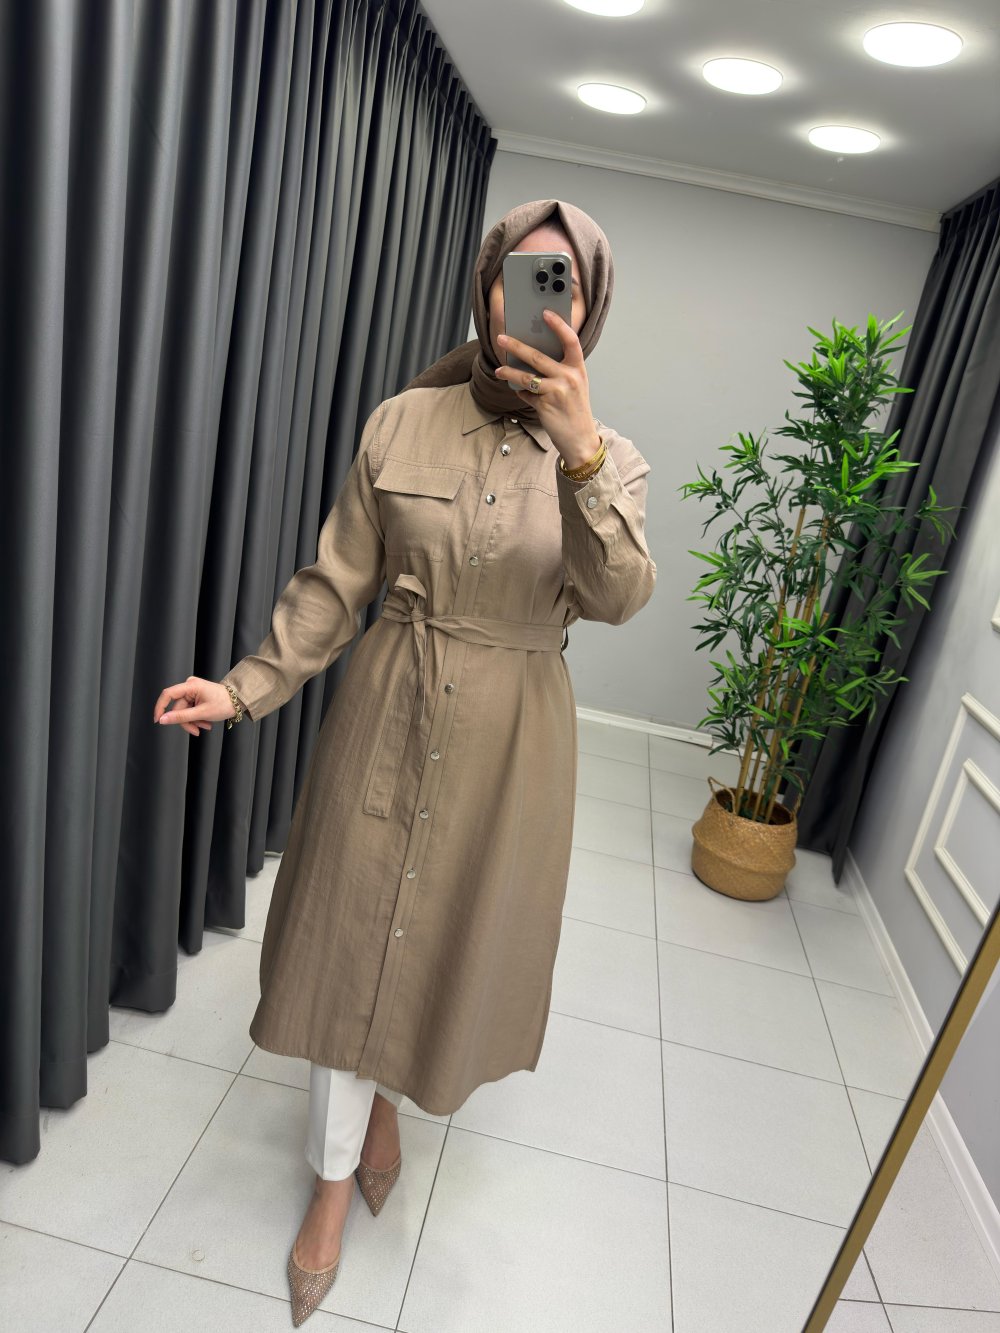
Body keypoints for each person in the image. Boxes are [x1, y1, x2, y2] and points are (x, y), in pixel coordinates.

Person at [153, 199, 656, 1326]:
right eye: (520, 275)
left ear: (589, 311)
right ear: (486, 286)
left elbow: (618, 595)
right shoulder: (402, 422)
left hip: (513, 739)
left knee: (441, 943)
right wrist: (242, 687)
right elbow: (336, 585)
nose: (538, 300)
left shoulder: (613, 457)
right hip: (389, 703)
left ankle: (388, 1105)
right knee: (349, 938)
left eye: (564, 285)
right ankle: (331, 1184)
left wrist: (578, 453)